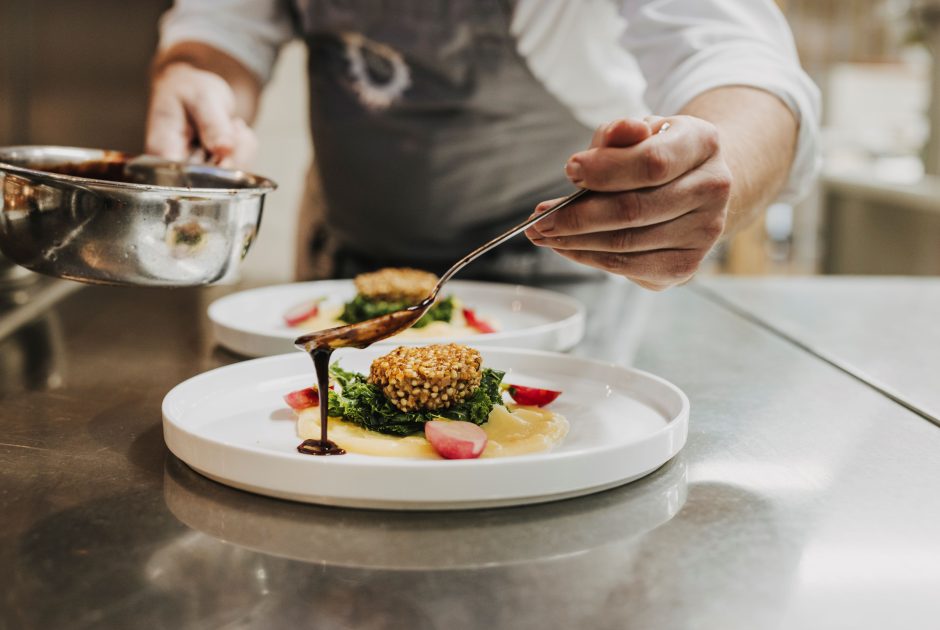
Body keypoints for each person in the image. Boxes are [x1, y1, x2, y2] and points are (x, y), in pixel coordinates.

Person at [146, 0, 820, 290]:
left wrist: (706, 170)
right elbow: (225, 26)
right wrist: (198, 77)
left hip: (563, 287)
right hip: (341, 267)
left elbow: (744, 65)